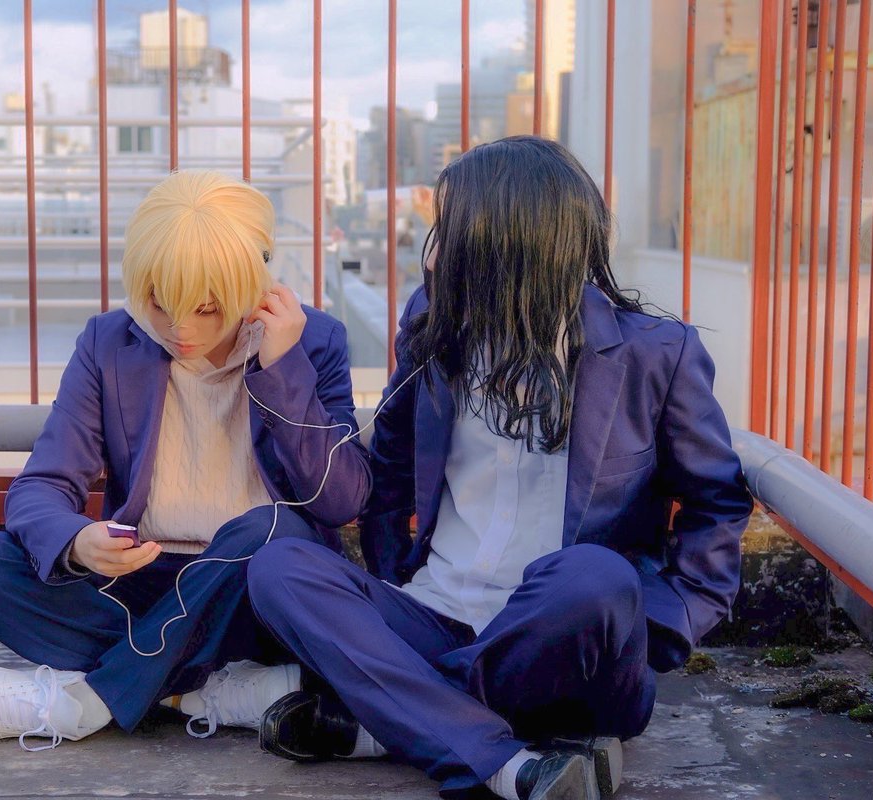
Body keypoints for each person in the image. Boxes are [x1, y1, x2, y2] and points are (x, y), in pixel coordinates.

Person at [246, 136, 753, 800]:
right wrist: (394, 575)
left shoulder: (654, 355)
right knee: (280, 565)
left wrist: (659, 626)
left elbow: (717, 505)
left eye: (449, 234)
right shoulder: (432, 326)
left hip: (570, 646)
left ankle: (395, 719)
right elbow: (389, 471)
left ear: (507, 245)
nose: (432, 254)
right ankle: (496, 754)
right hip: (434, 618)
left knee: (595, 576)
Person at [0, 170, 369, 749]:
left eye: (207, 309)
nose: (181, 330)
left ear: (251, 282)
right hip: (145, 576)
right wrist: (76, 542)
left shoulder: (312, 341)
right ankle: (198, 692)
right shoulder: (110, 342)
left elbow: (340, 500)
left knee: (270, 529)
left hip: (251, 588)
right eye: (160, 304)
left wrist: (283, 369)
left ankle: (88, 701)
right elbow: (43, 484)